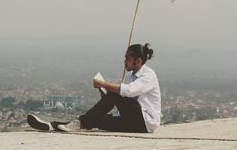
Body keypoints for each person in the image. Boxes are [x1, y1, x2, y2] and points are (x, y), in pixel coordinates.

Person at [27, 43, 161, 133]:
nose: (124, 61)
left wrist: (104, 85)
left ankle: (78, 124)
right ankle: (53, 125)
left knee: (116, 93)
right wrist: (106, 95)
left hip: (146, 122)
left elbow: (129, 91)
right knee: (97, 119)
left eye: (127, 58)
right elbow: (125, 100)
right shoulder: (132, 76)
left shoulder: (148, 75)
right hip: (133, 121)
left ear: (138, 61)